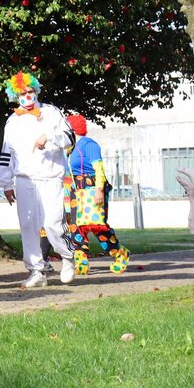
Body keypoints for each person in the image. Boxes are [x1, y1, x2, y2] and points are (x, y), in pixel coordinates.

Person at [0, 72, 76, 288]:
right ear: (16, 95)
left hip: (51, 177)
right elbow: (7, 153)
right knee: (28, 226)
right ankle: (36, 270)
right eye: (22, 93)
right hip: (24, 180)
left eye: (30, 92)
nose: (27, 96)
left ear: (37, 91)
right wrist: (5, 183)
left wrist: (49, 136)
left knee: (53, 224)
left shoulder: (51, 112)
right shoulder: (12, 121)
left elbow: (70, 138)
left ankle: (68, 257)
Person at [65, 114, 129, 274]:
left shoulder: (89, 145)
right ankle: (81, 263)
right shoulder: (70, 149)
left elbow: (98, 168)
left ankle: (120, 254)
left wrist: (99, 189)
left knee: (97, 226)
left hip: (91, 189)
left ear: (71, 129)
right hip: (75, 192)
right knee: (76, 227)